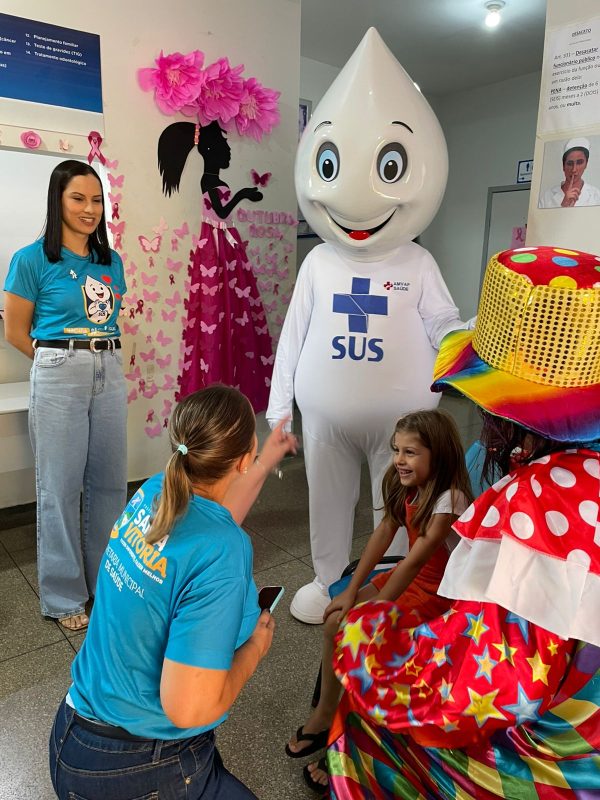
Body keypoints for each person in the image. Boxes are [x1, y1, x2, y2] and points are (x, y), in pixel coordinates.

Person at [323, 246, 600, 799]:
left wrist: (367, 640)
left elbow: (486, 691)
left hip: (559, 754)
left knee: (370, 728)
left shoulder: (537, 502)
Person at [267, 28, 473, 625]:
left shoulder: (417, 261)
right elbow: (294, 337)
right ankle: (328, 578)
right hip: (325, 421)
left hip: (403, 425)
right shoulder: (318, 262)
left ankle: (396, 594)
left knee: (405, 505)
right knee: (326, 501)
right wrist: (281, 412)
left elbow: (442, 323)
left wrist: (470, 349)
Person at [49, 384, 297, 800]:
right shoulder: (224, 552)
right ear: (241, 457)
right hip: (137, 769)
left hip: (73, 735)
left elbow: (209, 523)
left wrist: (265, 459)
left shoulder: (154, 490)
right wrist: (255, 646)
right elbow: (189, 709)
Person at [287, 409, 473, 792]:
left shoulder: (449, 499)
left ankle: (347, 744)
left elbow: (418, 559)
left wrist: (377, 609)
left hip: (439, 596)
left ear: (437, 455)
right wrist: (353, 591)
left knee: (366, 644)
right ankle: (324, 716)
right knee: (335, 620)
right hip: (408, 577)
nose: (400, 460)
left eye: (410, 452)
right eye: (396, 450)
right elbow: (384, 534)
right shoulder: (403, 482)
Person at [3, 159, 127, 632]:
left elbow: (108, 317)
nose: (89, 209)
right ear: (58, 201)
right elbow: (16, 332)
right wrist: (57, 364)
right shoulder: (31, 259)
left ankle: (107, 585)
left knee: (110, 484)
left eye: (97, 200)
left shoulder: (109, 261)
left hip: (109, 366)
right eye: (79, 198)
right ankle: (63, 596)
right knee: (58, 488)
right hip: (57, 367)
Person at [157, 120, 274, 411]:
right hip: (217, 248)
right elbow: (221, 211)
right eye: (224, 147)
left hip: (226, 245)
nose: (229, 153)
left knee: (234, 308)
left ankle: (234, 375)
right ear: (210, 150)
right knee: (217, 306)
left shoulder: (213, 180)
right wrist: (244, 194)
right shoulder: (209, 181)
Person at [539, 136, 600, 208]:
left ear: (586, 164)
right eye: (570, 163)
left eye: (579, 162)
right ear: (563, 166)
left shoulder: (596, 196)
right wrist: (563, 205)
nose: (574, 169)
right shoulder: (547, 197)